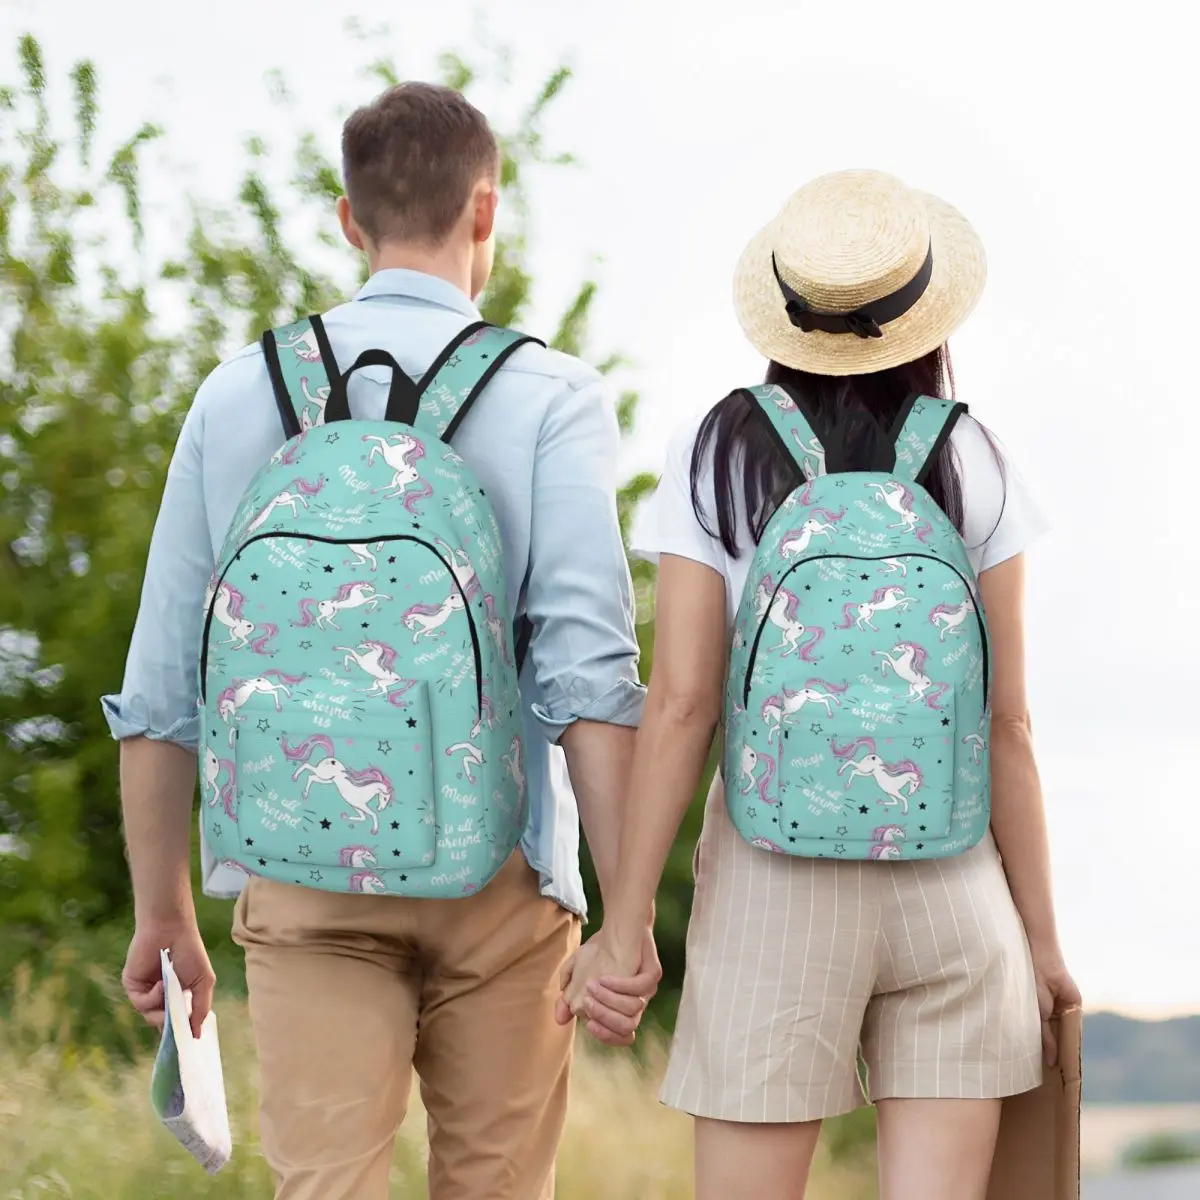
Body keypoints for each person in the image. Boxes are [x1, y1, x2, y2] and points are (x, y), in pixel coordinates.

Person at [105, 81, 660, 1200]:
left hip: (301, 871)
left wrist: (163, 911)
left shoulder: (236, 394)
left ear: (349, 219)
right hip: (504, 876)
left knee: (325, 1186)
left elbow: (165, 682)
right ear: (486, 212)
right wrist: (627, 915)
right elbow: (589, 678)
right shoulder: (550, 395)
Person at [562, 169, 1081, 1200]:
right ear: (925, 315)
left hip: (773, 884)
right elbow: (1009, 723)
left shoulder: (717, 451)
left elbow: (681, 705)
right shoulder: (975, 457)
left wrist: (624, 925)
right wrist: (1043, 942)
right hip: (955, 886)